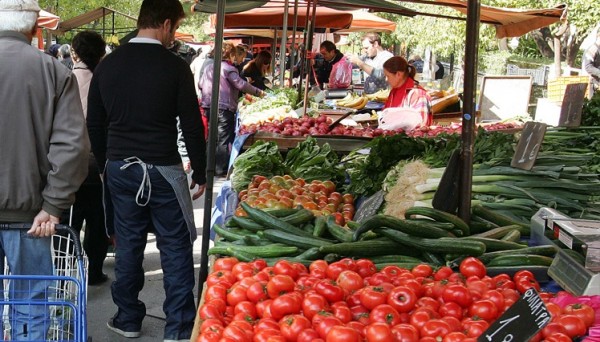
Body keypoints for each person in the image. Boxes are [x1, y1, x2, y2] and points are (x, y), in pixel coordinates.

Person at [86, 0, 207, 340]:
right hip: (164, 169)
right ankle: (179, 328)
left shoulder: (107, 66)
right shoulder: (175, 67)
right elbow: (192, 126)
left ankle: (127, 319)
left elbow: (94, 123)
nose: (174, 36)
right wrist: (199, 170)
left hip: (121, 169)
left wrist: (106, 163)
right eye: (175, 28)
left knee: (127, 244)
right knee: (175, 247)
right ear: (166, 24)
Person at [0, 0, 90, 340]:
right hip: (32, 217)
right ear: (35, 28)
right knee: (31, 301)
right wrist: (53, 206)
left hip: (31, 215)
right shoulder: (54, 72)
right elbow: (72, 147)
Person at [68, 30, 111, 286]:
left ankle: (66, 274)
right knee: (97, 220)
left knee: (70, 220)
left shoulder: (65, 78)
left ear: (75, 52)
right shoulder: (103, 80)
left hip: (69, 164)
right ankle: (94, 271)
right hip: (98, 164)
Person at [199, 41, 265, 176]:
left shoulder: (209, 68)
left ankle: (208, 165)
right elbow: (240, 84)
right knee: (223, 137)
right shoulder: (228, 69)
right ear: (231, 55)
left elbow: (200, 84)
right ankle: (220, 168)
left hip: (209, 105)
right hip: (224, 107)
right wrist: (258, 92)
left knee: (212, 137)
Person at [378, 56, 432, 131]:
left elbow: (421, 128)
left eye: (387, 76)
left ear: (398, 74)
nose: (386, 79)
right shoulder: (394, 91)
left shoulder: (418, 94)